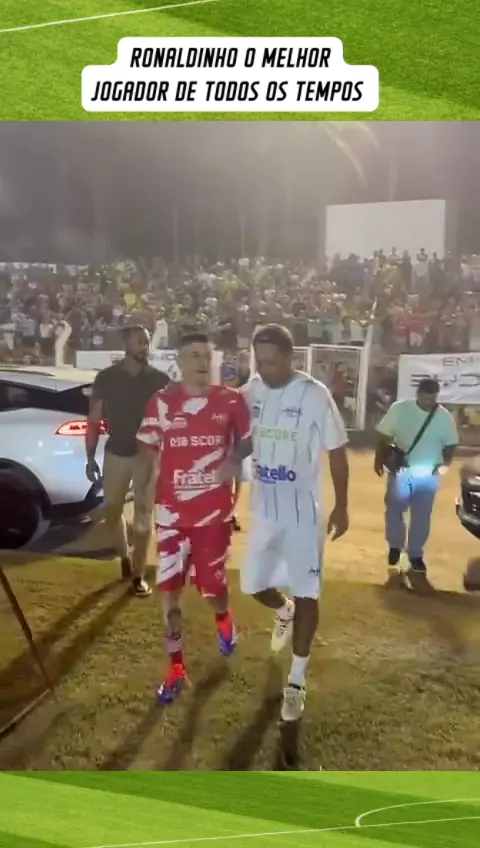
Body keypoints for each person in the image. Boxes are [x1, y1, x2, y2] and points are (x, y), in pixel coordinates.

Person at [241, 324, 349, 728]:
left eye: (271, 362)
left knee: (307, 591)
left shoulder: (314, 395)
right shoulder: (250, 391)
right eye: (260, 361)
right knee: (252, 585)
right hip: (264, 510)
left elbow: (337, 452)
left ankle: (297, 681)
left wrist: (342, 506)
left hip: (304, 512)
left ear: (290, 358)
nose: (264, 369)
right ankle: (282, 609)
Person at [136, 331, 252, 704]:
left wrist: (234, 460)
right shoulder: (161, 403)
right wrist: (144, 499)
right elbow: (148, 454)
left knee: (212, 589)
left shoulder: (231, 400)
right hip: (171, 516)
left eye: (206, 355)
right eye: (193, 356)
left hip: (213, 517)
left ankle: (223, 618)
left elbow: (247, 439)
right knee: (169, 593)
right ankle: (175, 667)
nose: (202, 362)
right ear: (180, 362)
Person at [85, 325, 169, 597]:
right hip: (116, 453)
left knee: (144, 517)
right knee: (112, 511)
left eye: (147, 341)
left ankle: (138, 574)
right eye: (139, 341)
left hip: (148, 456)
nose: (145, 346)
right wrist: (90, 456)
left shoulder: (160, 380)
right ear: (126, 344)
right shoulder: (107, 377)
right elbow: (94, 419)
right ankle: (124, 557)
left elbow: (171, 422)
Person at [374, 378, 458, 579]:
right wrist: (379, 458)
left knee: (422, 516)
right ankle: (395, 548)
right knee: (394, 511)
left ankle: (415, 554)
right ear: (418, 394)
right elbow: (384, 435)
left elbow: (450, 443)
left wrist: (445, 464)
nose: (429, 403)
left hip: (428, 474)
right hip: (402, 470)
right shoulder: (400, 409)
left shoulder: (444, 417)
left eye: (432, 399)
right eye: (426, 398)